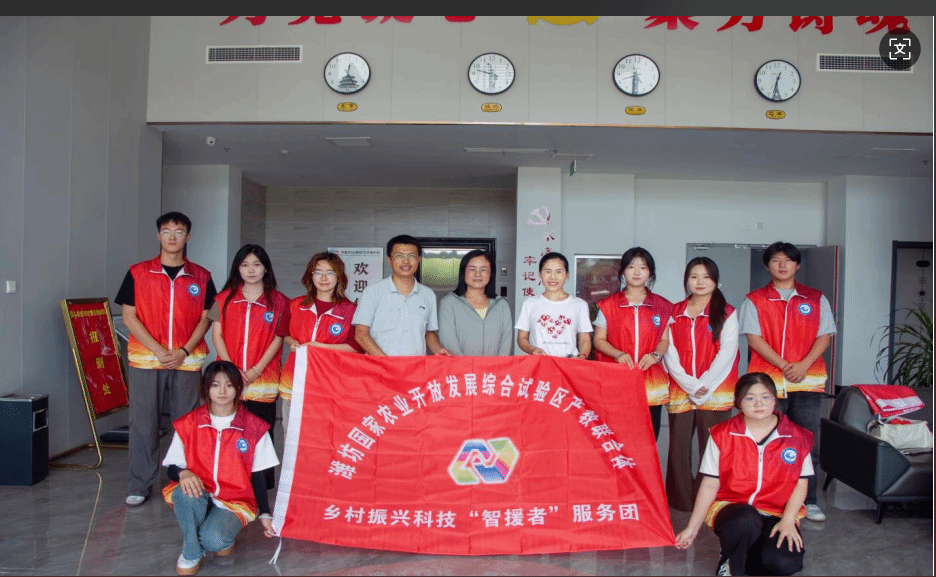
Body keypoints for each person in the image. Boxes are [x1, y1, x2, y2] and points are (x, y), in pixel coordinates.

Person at [115, 211, 216, 507]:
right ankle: (139, 484)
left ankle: (184, 480)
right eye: (167, 231)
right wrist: (159, 351)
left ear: (188, 236)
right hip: (147, 360)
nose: (173, 237)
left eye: (179, 232)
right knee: (143, 423)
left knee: (187, 423)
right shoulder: (138, 272)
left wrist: (183, 351)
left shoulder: (202, 276)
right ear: (159, 235)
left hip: (187, 362)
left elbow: (207, 318)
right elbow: (129, 316)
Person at [674, 372, 813, 577]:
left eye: (765, 397)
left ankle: (744, 554)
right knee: (746, 521)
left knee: (783, 564)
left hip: (776, 511)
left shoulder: (797, 437)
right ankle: (731, 564)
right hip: (732, 508)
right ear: (738, 402)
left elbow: (801, 483)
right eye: (750, 398)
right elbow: (710, 484)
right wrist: (692, 528)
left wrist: (788, 520)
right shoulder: (722, 434)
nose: (759, 403)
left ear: (775, 400)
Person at [739, 241, 836, 523]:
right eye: (775, 260)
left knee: (806, 441)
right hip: (767, 384)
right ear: (767, 266)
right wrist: (783, 365)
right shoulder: (754, 299)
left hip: (807, 381)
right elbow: (754, 338)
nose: (782, 265)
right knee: (768, 440)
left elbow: (825, 335)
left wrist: (803, 365)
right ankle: (769, 499)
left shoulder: (815, 298)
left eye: (788, 260)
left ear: (797, 265)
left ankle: (809, 501)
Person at [161, 361, 278, 575]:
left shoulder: (254, 427)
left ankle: (217, 532)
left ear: (238, 388)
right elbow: (172, 468)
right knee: (183, 494)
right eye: (215, 385)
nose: (222, 391)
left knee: (214, 540)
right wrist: (183, 473)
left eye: (229, 385)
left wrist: (265, 514)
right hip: (199, 492)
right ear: (206, 388)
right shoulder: (189, 423)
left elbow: (258, 475)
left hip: (235, 500)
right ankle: (191, 552)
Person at [209, 244, 290, 488]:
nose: (251, 270)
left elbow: (278, 338)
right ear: (238, 269)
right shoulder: (223, 299)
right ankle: (229, 481)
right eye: (245, 265)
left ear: (265, 268)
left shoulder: (280, 302)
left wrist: (255, 370)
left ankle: (261, 487)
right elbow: (216, 335)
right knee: (228, 430)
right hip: (228, 379)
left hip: (263, 379)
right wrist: (231, 369)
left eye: (256, 264)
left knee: (261, 432)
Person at [664, 257, 739, 512]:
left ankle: (711, 500)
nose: (700, 282)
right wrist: (689, 384)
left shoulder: (727, 313)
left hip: (716, 389)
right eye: (694, 276)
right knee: (678, 447)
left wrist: (704, 384)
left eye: (706, 277)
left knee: (713, 447)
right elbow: (668, 351)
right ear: (686, 279)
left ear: (716, 281)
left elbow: (728, 353)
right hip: (681, 388)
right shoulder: (674, 312)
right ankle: (681, 501)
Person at [592, 247, 673, 438]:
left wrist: (655, 355)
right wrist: (618, 354)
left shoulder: (662, 306)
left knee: (650, 434)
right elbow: (599, 340)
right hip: (617, 379)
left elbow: (664, 340)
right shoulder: (608, 305)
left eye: (643, 267)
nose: (637, 272)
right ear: (622, 271)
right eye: (631, 267)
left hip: (651, 379)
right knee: (617, 434)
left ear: (650, 272)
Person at [280, 252, 363, 431]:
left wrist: (320, 347)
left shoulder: (350, 310)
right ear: (310, 276)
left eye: (330, 272)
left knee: (324, 436)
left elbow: (356, 347)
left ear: (339, 276)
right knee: (292, 435)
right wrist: (292, 342)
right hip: (296, 379)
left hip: (331, 383)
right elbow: (284, 333)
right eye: (318, 272)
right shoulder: (296, 305)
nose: (324, 278)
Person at [352, 235, 450, 356]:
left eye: (411, 256)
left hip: (415, 365)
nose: (406, 261)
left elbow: (429, 333)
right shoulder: (372, 292)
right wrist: (386, 362)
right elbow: (361, 334)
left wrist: (437, 349)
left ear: (419, 259)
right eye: (399, 255)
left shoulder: (428, 294)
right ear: (389, 260)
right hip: (380, 365)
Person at [515, 252, 592, 359]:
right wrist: (532, 349)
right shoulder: (529, 304)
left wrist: (581, 357)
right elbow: (522, 338)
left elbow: (585, 339)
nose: (553, 277)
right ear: (540, 274)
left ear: (567, 274)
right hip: (540, 363)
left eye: (559, 272)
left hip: (569, 363)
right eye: (548, 271)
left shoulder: (579, 305)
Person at [438, 249, 513, 356]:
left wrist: (498, 365)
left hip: (495, 367)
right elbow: (448, 341)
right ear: (463, 272)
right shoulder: (449, 303)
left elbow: (505, 344)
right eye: (472, 269)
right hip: (460, 366)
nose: (478, 274)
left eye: (483, 269)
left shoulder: (501, 305)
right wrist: (466, 366)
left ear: (491, 273)